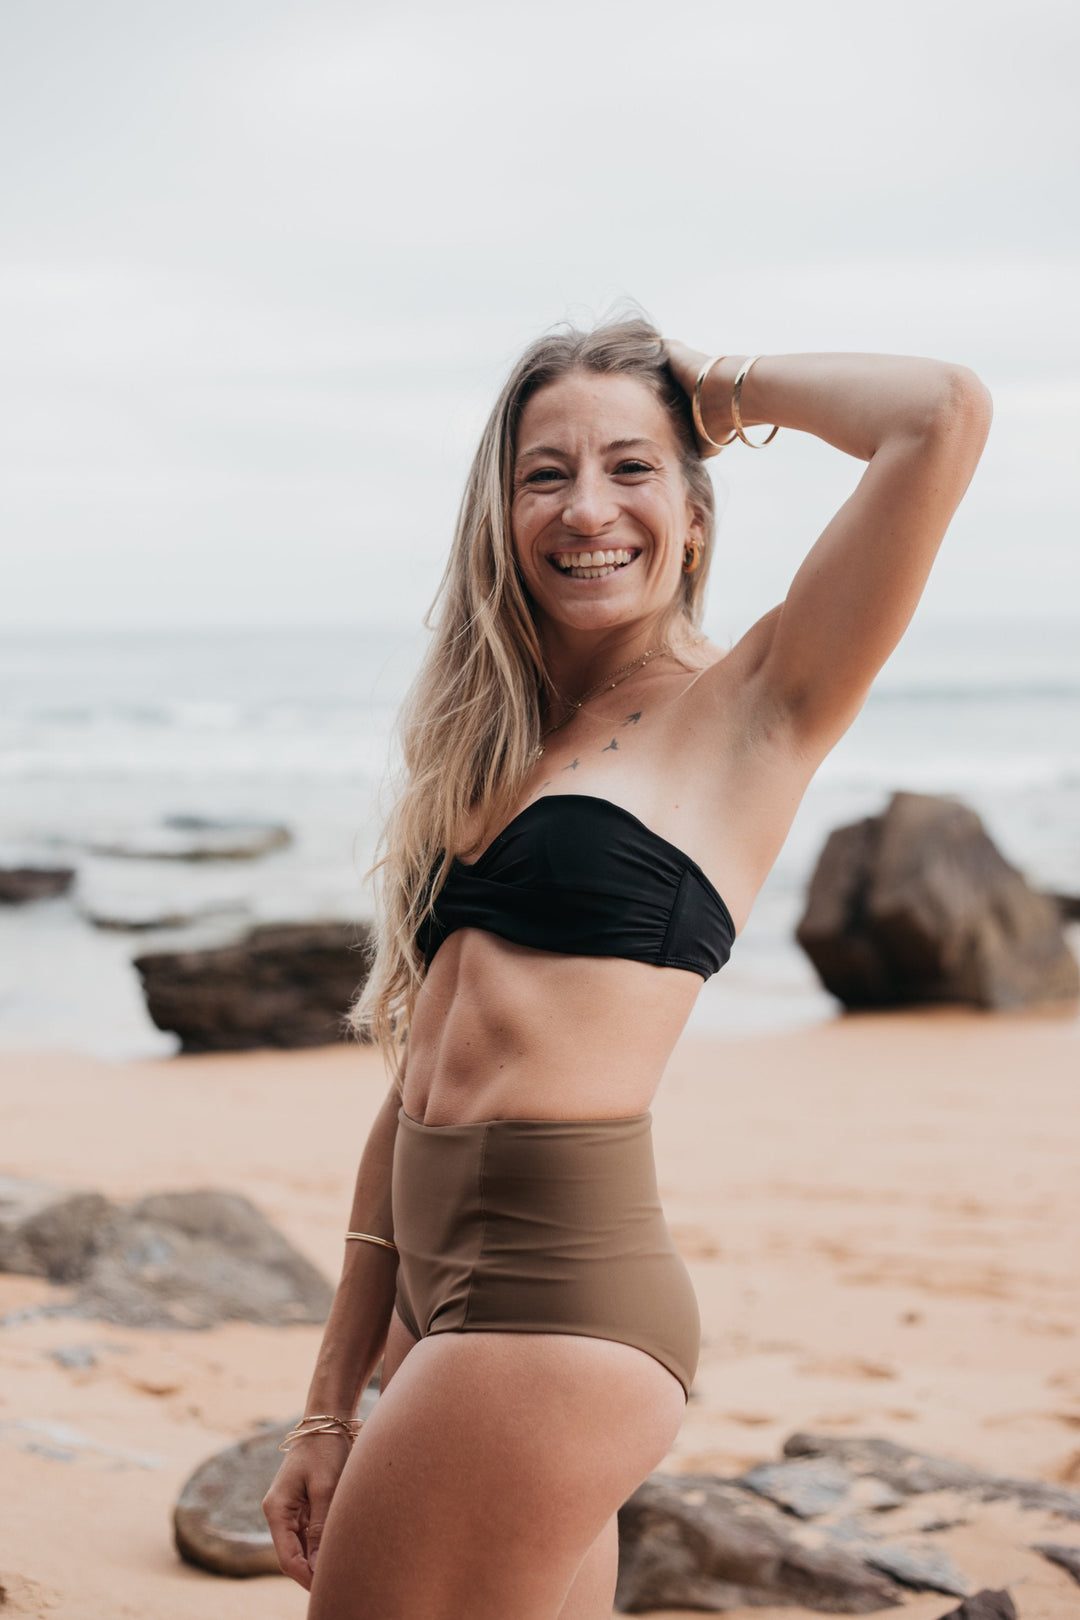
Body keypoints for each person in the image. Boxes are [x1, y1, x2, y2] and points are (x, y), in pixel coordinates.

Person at [262, 318, 992, 1618]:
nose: (587, 507)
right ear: (502, 512)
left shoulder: (753, 709)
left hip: (555, 1310)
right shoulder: (491, 742)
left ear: (697, 515)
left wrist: (710, 390)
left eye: (631, 468)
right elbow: (418, 1080)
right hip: (448, 1310)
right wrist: (328, 1404)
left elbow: (937, 415)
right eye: (546, 474)